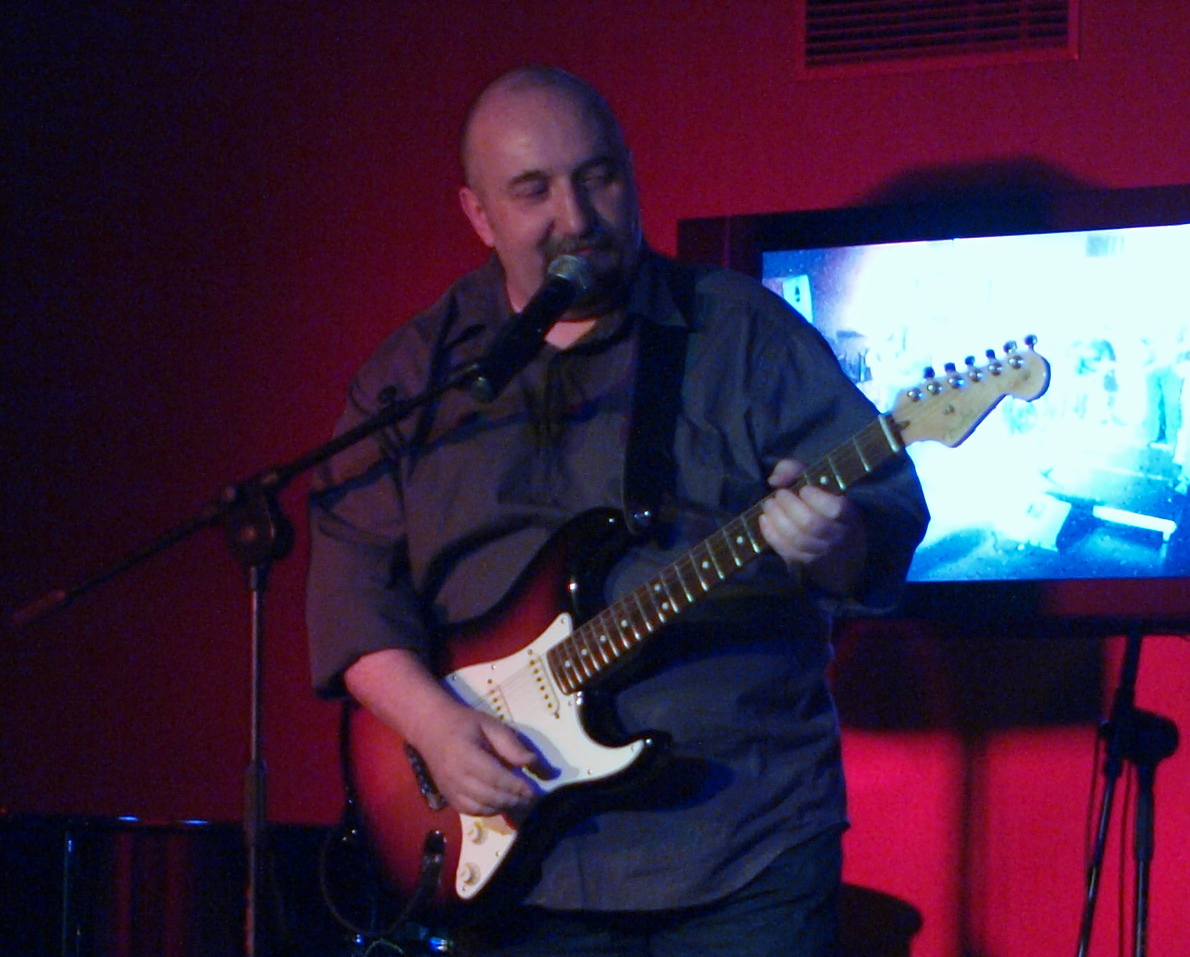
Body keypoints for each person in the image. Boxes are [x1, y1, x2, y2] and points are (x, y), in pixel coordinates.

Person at [306, 65, 929, 957]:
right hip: (514, 859)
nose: (576, 216)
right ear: (479, 214)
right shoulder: (418, 373)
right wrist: (435, 728)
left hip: (743, 837)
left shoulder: (743, 333)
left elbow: (881, 523)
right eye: (533, 191)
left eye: (597, 177)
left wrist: (834, 539)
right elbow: (350, 582)